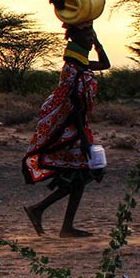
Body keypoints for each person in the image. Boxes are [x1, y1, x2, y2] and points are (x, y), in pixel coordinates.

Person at [22, 18, 110, 237]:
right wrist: (85, 139)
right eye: (87, 34)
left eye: (92, 33)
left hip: (75, 129)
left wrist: (97, 43)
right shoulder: (72, 69)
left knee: (82, 176)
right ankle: (42, 212)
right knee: (85, 173)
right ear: (75, 37)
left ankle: (60, 222)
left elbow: (106, 64)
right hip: (70, 131)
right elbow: (75, 107)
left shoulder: (80, 65)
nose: (90, 38)